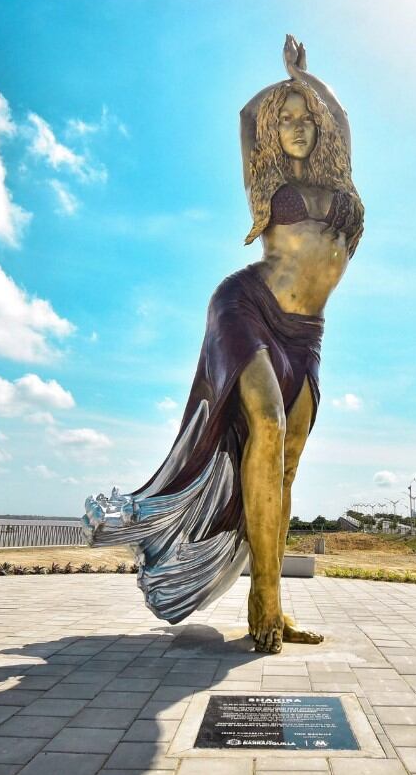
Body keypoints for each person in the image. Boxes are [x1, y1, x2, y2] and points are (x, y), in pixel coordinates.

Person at [86, 36, 363, 653]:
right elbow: (246, 118)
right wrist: (283, 83)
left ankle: (270, 597)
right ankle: (263, 605)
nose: (297, 126)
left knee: (285, 465)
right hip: (245, 308)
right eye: (286, 118)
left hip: (306, 336)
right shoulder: (267, 182)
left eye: (305, 119)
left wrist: (308, 80)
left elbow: (342, 120)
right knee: (265, 426)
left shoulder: (338, 179)